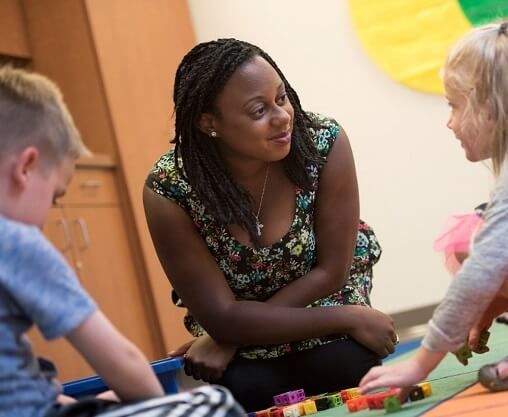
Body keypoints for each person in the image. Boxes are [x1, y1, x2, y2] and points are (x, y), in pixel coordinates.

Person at [143, 38, 398, 411]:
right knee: (243, 386)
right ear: (209, 122)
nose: (282, 117)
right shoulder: (170, 190)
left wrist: (231, 338)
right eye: (258, 109)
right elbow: (223, 315)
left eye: (282, 98)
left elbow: (331, 272)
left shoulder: (322, 142)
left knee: (344, 364)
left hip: (319, 300)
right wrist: (351, 317)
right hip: (250, 321)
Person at [0, 66, 245, 417]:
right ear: (26, 167)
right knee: (213, 403)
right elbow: (120, 360)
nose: (47, 217)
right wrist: (158, 404)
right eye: (54, 197)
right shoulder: (16, 243)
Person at [359, 22, 508, 394]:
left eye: (454, 105)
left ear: (490, 107)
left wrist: (420, 363)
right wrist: (481, 314)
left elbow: (484, 267)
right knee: (488, 236)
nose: (450, 122)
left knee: (471, 238)